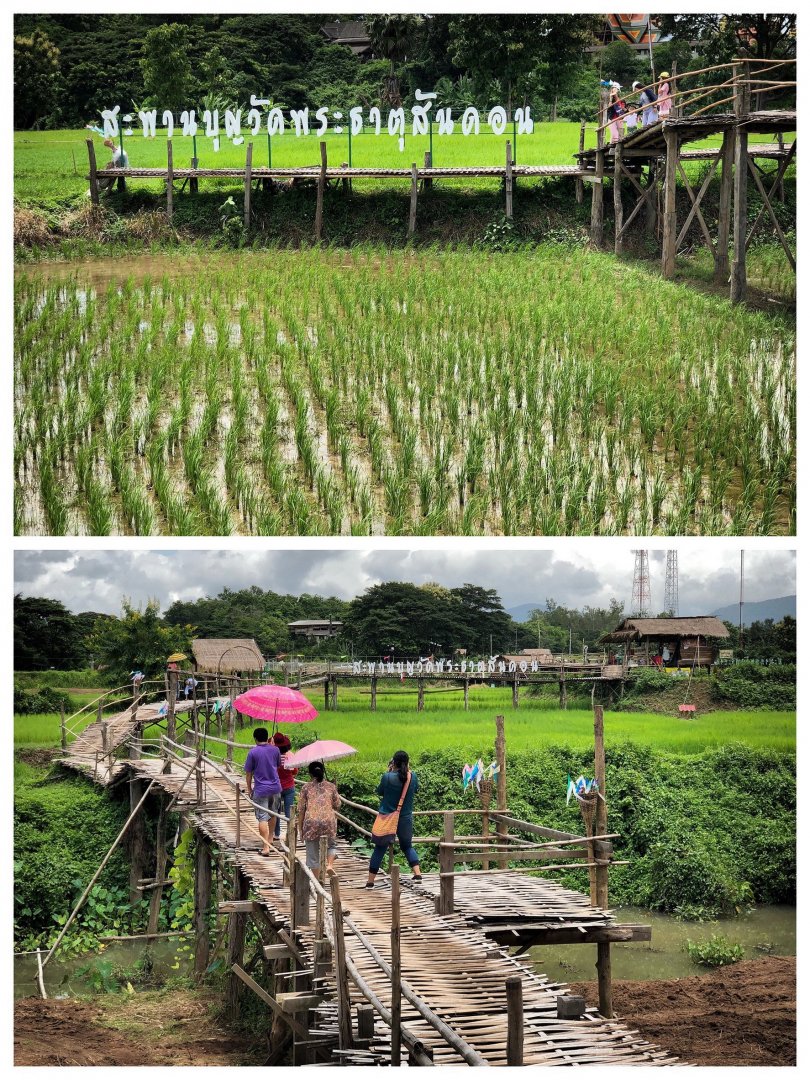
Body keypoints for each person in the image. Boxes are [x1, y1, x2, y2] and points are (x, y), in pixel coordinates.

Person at [366, 750, 422, 888]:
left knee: (380, 848)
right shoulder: (412, 776)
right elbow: (416, 790)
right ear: (407, 763)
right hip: (405, 818)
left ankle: (370, 882)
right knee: (407, 846)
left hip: (387, 818)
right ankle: (418, 874)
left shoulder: (387, 777)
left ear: (394, 763)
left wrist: (389, 772)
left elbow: (379, 791)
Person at [243, 727, 282, 857]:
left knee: (262, 817)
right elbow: (277, 765)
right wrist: (272, 748)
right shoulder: (275, 750)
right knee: (273, 813)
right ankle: (270, 838)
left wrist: (249, 789)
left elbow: (248, 774)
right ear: (267, 738)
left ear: (255, 738)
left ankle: (266, 847)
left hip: (261, 789)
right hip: (275, 787)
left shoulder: (252, 753)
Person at [297, 761, 340, 871]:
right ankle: (329, 865)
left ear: (310, 774)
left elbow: (301, 809)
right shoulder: (331, 786)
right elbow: (337, 805)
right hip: (328, 820)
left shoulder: (306, 787)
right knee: (331, 845)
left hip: (311, 822)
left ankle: (317, 883)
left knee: (312, 854)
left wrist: (300, 829)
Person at [272, 731, 298, 839]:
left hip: (277, 787)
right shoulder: (290, 756)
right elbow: (295, 771)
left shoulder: (273, 758)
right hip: (289, 787)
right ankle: (290, 834)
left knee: (276, 811)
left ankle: (276, 834)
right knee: (289, 811)